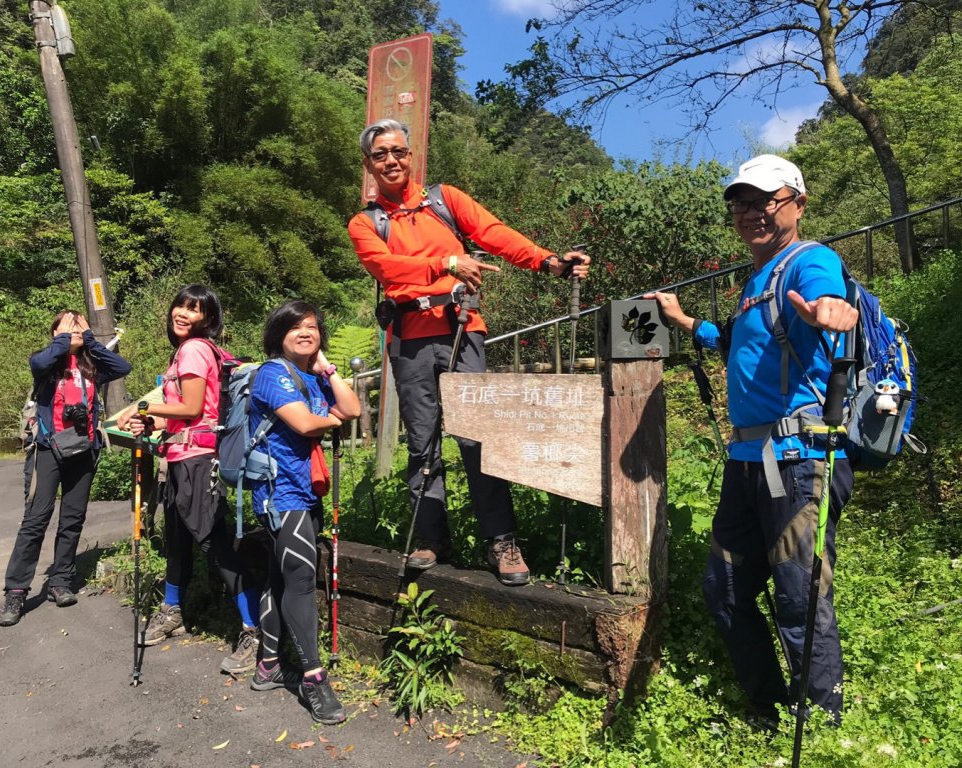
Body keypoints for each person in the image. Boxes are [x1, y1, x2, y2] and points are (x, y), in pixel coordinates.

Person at [646, 154, 859, 726]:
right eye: (741, 204)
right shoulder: (755, 284)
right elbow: (734, 339)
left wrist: (828, 310)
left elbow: (826, 299)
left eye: (764, 200)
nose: (750, 213)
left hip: (800, 462)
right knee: (726, 589)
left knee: (799, 595)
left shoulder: (810, 262)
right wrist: (682, 319)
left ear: (797, 202)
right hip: (749, 462)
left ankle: (821, 722)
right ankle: (764, 705)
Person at [347, 118, 591, 586]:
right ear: (369, 164)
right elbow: (386, 268)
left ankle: (502, 541)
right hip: (409, 339)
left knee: (479, 440)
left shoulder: (444, 200)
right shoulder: (366, 222)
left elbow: (495, 233)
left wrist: (550, 262)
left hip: (462, 327)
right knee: (421, 444)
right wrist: (446, 262)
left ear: (410, 155)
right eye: (381, 155)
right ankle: (430, 537)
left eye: (398, 151)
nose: (392, 161)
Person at [117, 284, 260, 675]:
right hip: (179, 455)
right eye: (180, 305)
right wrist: (150, 419)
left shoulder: (195, 349)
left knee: (213, 542)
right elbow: (181, 414)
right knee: (178, 538)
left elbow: (194, 406)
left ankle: (255, 629)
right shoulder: (185, 352)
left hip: (196, 459)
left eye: (194, 309)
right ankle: (172, 611)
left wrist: (143, 405)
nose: (183, 313)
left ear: (208, 320)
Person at [246, 300, 359, 725]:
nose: (306, 333)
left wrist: (327, 369)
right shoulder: (272, 374)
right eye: (296, 327)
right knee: (299, 581)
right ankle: (313, 677)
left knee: (279, 577)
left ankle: (269, 666)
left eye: (312, 327)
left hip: (302, 491)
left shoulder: (311, 377)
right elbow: (307, 425)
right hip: (279, 494)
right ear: (279, 334)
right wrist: (326, 417)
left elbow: (352, 409)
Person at [0, 310, 131, 627]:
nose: (72, 328)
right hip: (49, 449)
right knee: (36, 518)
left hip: (83, 450)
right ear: (54, 331)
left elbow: (122, 367)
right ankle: (16, 591)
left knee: (73, 518)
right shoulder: (47, 363)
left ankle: (60, 581)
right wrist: (62, 340)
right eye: (65, 324)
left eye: (77, 322)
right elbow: (39, 363)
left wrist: (88, 339)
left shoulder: (92, 364)